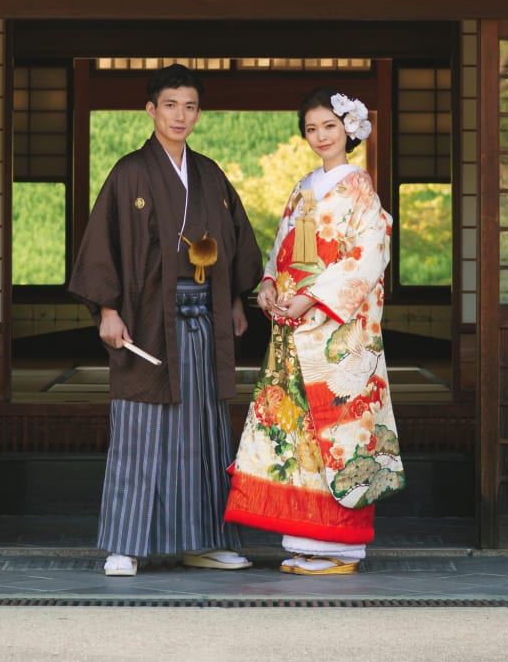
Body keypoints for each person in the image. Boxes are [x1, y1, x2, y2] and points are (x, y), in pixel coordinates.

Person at [68, 63, 263, 576]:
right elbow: (103, 242)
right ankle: (126, 544)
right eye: (171, 105)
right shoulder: (130, 171)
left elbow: (234, 241)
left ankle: (206, 541)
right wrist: (107, 310)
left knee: (205, 434)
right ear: (151, 110)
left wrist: (237, 301)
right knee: (141, 428)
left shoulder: (211, 174)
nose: (181, 115)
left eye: (190, 105)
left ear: (199, 112)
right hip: (148, 322)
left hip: (203, 320)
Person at [224, 87, 405, 575]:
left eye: (329, 126)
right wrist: (266, 285)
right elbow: (282, 247)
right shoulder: (304, 186)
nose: (320, 136)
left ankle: (342, 547)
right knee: (300, 434)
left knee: (340, 432)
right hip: (294, 327)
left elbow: (368, 256)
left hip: (336, 333)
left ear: (349, 129)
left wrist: (314, 296)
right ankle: (307, 540)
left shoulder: (359, 188)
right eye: (311, 128)